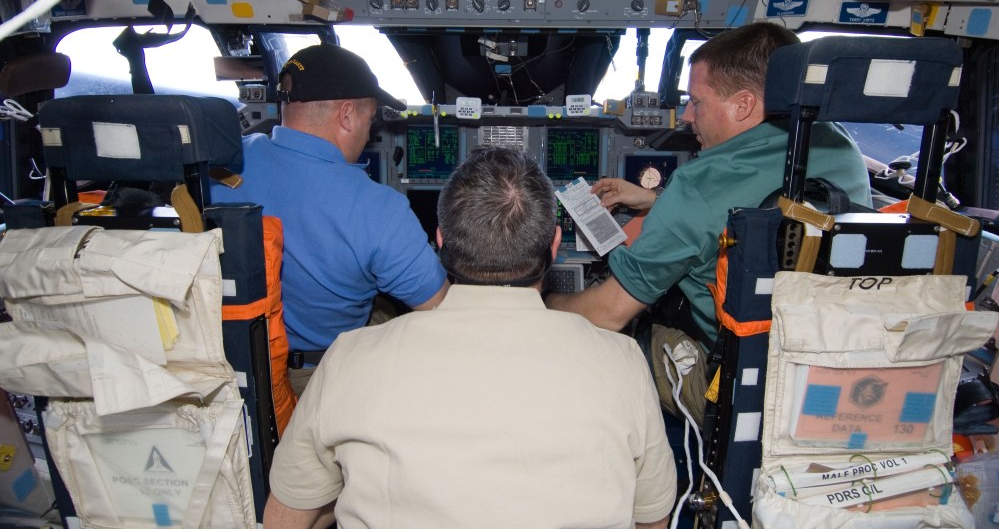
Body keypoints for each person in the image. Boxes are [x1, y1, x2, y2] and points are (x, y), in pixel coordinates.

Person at [263, 147, 677, 529]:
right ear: (553, 246)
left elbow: (288, 513)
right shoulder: (622, 361)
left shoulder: (348, 359)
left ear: (440, 242)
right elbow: (652, 518)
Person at [546, 22, 872, 416]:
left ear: (744, 104)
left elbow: (606, 314)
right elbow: (765, 197)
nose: (685, 115)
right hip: (833, 365)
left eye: (695, 101)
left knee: (628, 336)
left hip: (734, 384)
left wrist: (542, 300)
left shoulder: (697, 186)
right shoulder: (840, 144)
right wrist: (655, 200)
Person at [210, 43, 448, 394]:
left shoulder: (222, 165)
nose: (370, 132)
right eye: (370, 119)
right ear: (347, 114)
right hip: (318, 379)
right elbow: (440, 311)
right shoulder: (378, 209)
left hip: (229, 362)